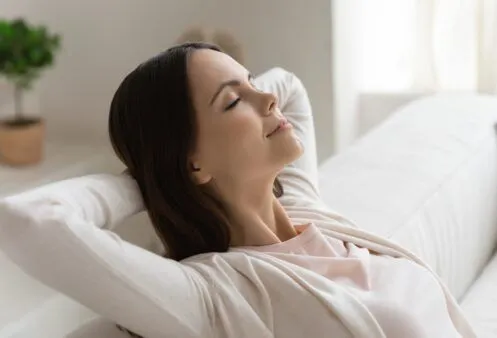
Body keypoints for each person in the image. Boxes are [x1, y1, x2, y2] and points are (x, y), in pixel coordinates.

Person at [0, 43, 476, 338]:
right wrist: (143, 182)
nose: (265, 98)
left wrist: (183, 158)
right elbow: (28, 219)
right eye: (233, 101)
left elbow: (287, 86)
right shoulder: (215, 297)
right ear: (192, 162)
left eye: (250, 83)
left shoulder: (306, 207)